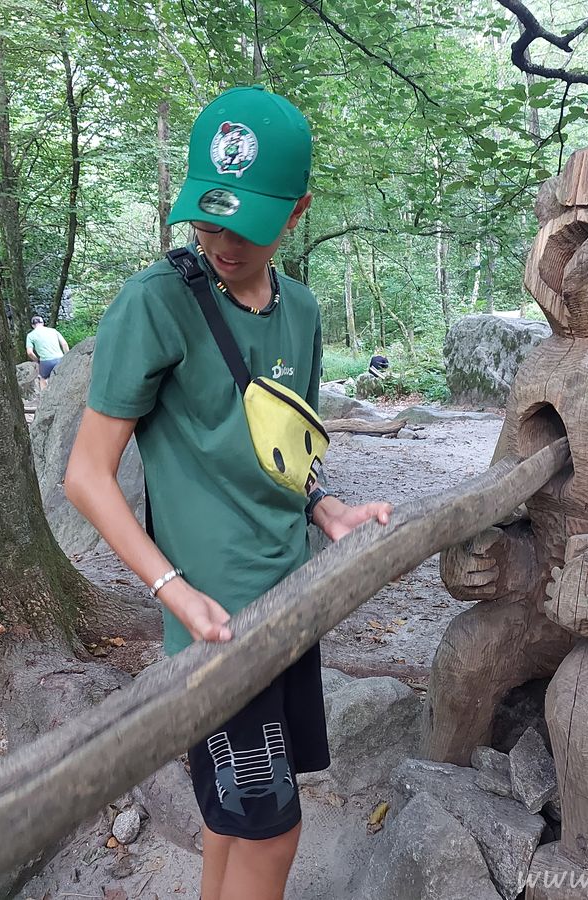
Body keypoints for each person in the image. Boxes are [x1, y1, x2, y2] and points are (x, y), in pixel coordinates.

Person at [64, 85, 392, 900]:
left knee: (232, 822)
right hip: (214, 631)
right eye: (205, 220)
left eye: (242, 223)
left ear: (297, 212)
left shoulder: (304, 313)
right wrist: (172, 590)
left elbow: (285, 450)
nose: (220, 242)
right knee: (272, 834)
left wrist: (327, 508)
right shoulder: (157, 302)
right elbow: (84, 475)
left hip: (293, 604)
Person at [25, 315, 68, 390]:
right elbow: (64, 344)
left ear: (32, 325)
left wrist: (37, 360)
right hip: (60, 358)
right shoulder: (53, 331)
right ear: (43, 323)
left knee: (43, 379)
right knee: (63, 377)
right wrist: (67, 356)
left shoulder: (30, 335)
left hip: (46, 361)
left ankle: (44, 398)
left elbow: (29, 352)